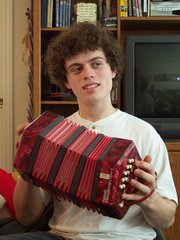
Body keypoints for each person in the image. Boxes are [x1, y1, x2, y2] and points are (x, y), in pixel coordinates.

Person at [1, 22, 177, 240]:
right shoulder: (53, 134)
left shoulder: (144, 132)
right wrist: (26, 167)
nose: (88, 73)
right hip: (62, 236)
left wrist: (148, 198)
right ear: (66, 81)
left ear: (113, 69)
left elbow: (167, 219)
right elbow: (26, 218)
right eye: (76, 68)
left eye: (96, 64)